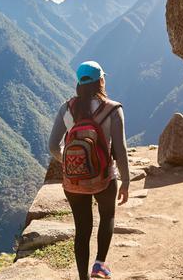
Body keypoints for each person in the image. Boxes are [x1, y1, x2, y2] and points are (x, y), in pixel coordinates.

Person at [49, 61, 129, 280]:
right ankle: (99, 265)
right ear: (101, 81)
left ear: (78, 83)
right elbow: (120, 150)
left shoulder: (66, 108)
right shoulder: (113, 109)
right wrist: (126, 182)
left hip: (74, 181)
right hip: (103, 176)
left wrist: (69, 165)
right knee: (107, 215)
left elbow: (53, 146)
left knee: (82, 229)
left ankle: (83, 277)